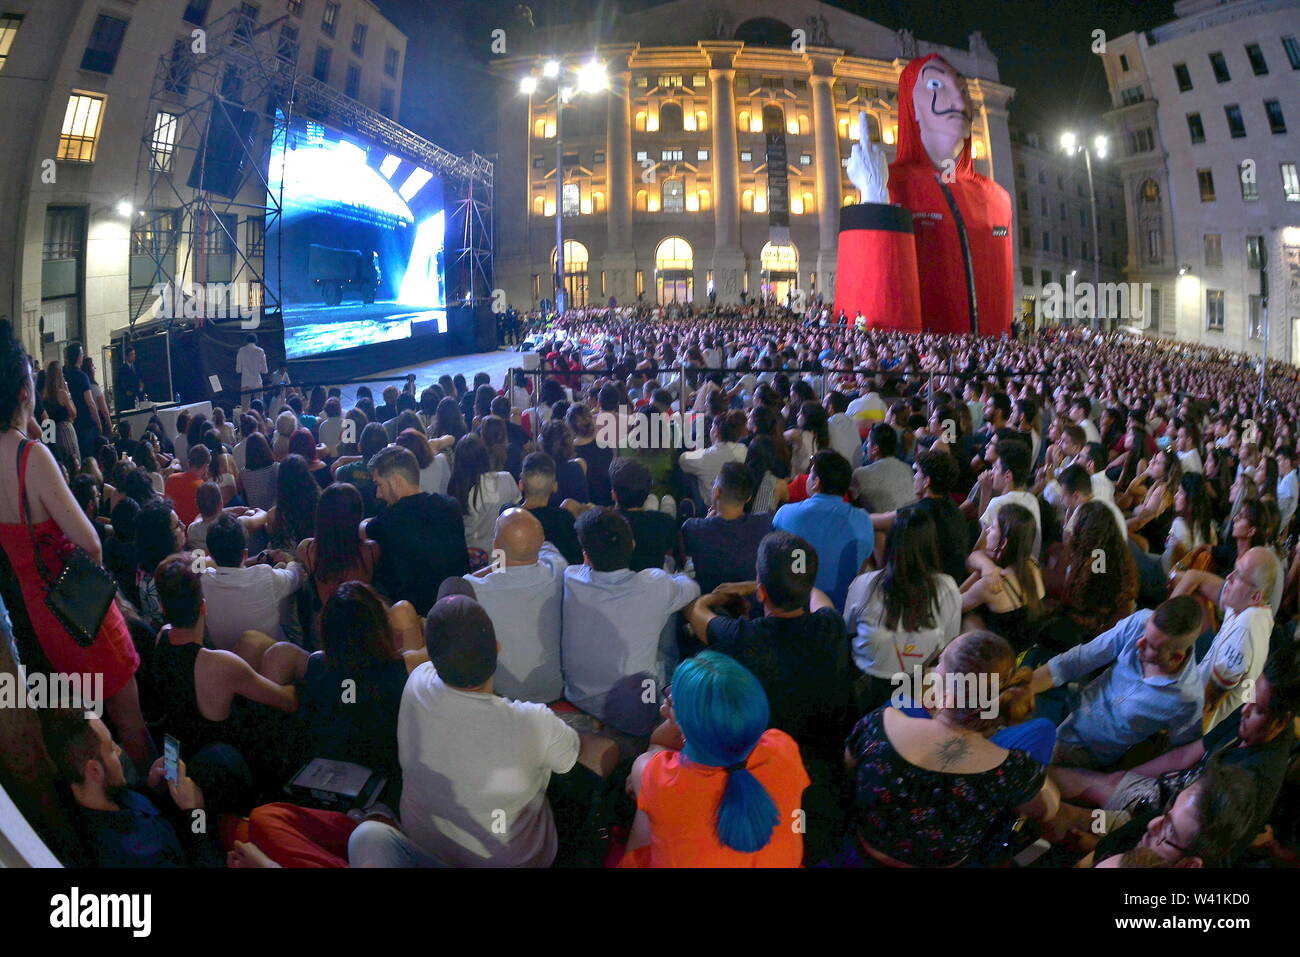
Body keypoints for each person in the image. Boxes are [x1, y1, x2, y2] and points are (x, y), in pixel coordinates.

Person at [0, 324, 151, 767]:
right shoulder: (32, 457)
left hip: (39, 615)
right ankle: (156, 807)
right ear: (24, 389)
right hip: (80, 609)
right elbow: (90, 543)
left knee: (90, 724)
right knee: (131, 722)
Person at [388, 595, 610, 868]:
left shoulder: (416, 682)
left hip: (425, 851)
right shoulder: (533, 722)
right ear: (496, 648)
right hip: (520, 861)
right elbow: (574, 755)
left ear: (431, 656)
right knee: (604, 750)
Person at [1049, 641, 1300, 863]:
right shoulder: (1252, 709)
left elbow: (1193, 850)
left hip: (1154, 834)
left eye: (1258, 710)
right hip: (1156, 803)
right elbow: (1186, 755)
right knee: (1092, 786)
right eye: (1251, 697)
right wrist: (1125, 777)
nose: (1245, 710)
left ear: (1282, 720)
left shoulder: (1256, 781)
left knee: (1074, 818)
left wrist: (1110, 849)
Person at [842, 631, 1059, 867]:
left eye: (939, 663)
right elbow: (1047, 811)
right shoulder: (1013, 770)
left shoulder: (880, 723)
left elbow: (849, 766)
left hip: (862, 853)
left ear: (944, 693)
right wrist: (1036, 777)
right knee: (1044, 729)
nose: (932, 670)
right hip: (945, 863)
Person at [620, 652, 810, 868]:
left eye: (671, 702)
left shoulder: (656, 774)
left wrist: (681, 720)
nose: (664, 708)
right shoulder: (782, 747)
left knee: (646, 796)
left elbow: (656, 743)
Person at [686, 530, 855, 766]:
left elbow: (696, 609)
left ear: (762, 592)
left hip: (765, 768)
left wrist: (726, 596)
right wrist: (756, 585)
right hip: (825, 762)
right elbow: (816, 594)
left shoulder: (740, 637)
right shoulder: (831, 626)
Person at [561, 508, 700, 737]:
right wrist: (670, 574)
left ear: (585, 555)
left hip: (579, 700)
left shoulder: (570, 577)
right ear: (632, 544)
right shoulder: (654, 584)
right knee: (667, 616)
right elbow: (692, 587)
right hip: (637, 713)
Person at [1029, 597, 1205, 769]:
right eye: (1145, 633)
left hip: (1086, 751)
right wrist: (1020, 688)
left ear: (1176, 657)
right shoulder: (1141, 620)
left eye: (1151, 645)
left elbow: (1180, 752)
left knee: (1022, 759)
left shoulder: (1188, 698)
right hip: (1070, 708)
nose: (1138, 643)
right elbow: (1076, 661)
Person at [38, 710, 224, 867]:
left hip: (164, 820)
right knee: (224, 761)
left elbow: (124, 794)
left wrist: (151, 786)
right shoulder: (136, 853)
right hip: (193, 844)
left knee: (214, 759)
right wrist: (196, 813)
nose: (119, 752)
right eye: (111, 748)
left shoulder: (83, 787)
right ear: (94, 770)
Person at [844, 508, 961, 711]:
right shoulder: (948, 587)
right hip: (913, 686)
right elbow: (948, 643)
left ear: (891, 543)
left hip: (864, 685)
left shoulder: (864, 584)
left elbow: (848, 629)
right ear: (932, 545)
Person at [462, 508, 566, 704]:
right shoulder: (558, 570)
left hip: (503, 695)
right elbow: (546, 552)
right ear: (542, 540)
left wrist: (502, 560)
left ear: (495, 546)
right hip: (555, 690)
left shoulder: (473, 590)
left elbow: (466, 581)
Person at [1171, 546, 1278, 731]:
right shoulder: (1250, 604)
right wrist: (1175, 576)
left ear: (1256, 596)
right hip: (1203, 675)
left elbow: (1208, 702)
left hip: (1196, 720)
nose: (1229, 577)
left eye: (1238, 576)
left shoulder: (1245, 630)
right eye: (1234, 569)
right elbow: (1198, 578)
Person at [364, 445, 470, 616]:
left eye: (379, 484)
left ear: (397, 481)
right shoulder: (451, 506)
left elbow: (364, 531)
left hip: (415, 619)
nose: (378, 494)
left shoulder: (387, 523)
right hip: (459, 608)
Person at [772, 450, 876, 610]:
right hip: (841, 612)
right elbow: (860, 568)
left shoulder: (785, 514)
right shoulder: (863, 521)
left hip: (793, 610)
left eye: (810, 474)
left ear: (816, 482)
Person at [201, 514, 303, 652]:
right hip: (270, 656)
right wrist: (290, 560)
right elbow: (297, 576)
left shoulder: (203, 581)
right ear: (245, 554)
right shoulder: (265, 576)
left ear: (211, 556)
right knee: (281, 568)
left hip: (226, 657)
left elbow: (197, 562)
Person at [869, 449, 968, 585]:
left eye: (917, 473)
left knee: (878, 533)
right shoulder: (954, 509)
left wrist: (851, 512)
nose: (914, 477)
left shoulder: (920, 511)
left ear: (927, 481)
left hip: (925, 585)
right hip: (952, 583)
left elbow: (875, 521)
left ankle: (883, 587)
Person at [682, 462, 774, 595]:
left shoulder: (692, 528)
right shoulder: (765, 523)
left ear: (717, 492)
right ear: (748, 497)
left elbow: (687, 555)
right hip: (750, 605)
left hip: (707, 603)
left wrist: (705, 523)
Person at [447, 432, 518, 563]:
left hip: (468, 556)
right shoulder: (506, 478)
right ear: (484, 455)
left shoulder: (454, 488)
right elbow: (517, 512)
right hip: (501, 555)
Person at [610, 458, 682, 572]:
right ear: (647, 493)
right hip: (654, 580)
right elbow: (670, 550)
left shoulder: (605, 523)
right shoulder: (664, 521)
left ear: (614, 495)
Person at [679, 410, 748, 507]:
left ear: (716, 432)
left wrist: (699, 451)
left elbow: (682, 459)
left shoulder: (705, 456)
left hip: (711, 508)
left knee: (690, 475)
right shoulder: (743, 449)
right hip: (738, 504)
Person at [851, 423, 916, 513]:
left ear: (875, 449)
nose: (866, 446)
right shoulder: (907, 468)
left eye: (868, 442)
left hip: (881, 525)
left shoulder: (860, 474)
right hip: (912, 522)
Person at [62, 341, 99, 460]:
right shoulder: (82, 376)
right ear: (79, 356)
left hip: (73, 424)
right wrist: (98, 423)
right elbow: (90, 402)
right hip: (86, 424)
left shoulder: (65, 375)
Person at [164, 444, 210, 526]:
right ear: (205, 466)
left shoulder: (171, 479)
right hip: (193, 533)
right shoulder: (203, 488)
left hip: (172, 530)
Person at [236, 333, 268, 401]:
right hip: (257, 382)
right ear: (256, 341)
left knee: (245, 408)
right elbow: (265, 370)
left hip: (245, 382)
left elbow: (238, 370)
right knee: (259, 406)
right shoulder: (260, 351)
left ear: (246, 341)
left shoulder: (241, 351)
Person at [115, 344, 146, 413]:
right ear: (127, 357)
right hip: (128, 400)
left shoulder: (137, 367)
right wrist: (126, 392)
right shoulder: (122, 369)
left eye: (134, 354)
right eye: (131, 355)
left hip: (138, 396)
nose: (133, 356)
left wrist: (141, 386)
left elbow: (141, 378)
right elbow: (118, 385)